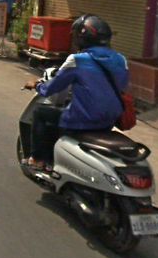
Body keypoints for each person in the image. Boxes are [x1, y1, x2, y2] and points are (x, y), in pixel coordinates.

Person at [22, 14, 128, 171]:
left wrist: (37, 85)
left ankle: (38, 159)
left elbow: (51, 88)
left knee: (40, 113)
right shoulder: (121, 60)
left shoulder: (77, 60)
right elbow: (121, 86)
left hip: (83, 119)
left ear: (82, 38)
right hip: (109, 120)